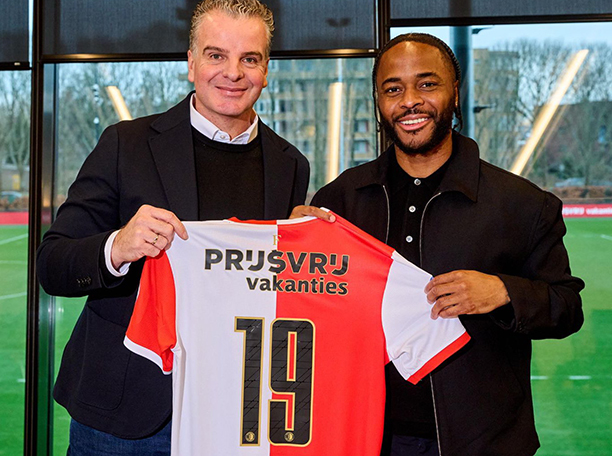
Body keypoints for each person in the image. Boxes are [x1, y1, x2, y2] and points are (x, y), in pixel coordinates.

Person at [36, 0, 309, 454]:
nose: (233, 73)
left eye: (250, 58)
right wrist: (117, 247)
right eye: (216, 55)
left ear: (266, 70)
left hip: (232, 412)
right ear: (191, 63)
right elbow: (53, 264)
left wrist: (306, 247)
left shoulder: (290, 165)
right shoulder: (126, 144)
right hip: (124, 416)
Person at [301, 33, 584, 456]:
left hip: (483, 443)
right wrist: (292, 245)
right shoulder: (340, 201)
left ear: (455, 92)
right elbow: (309, 311)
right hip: (364, 438)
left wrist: (503, 292)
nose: (410, 101)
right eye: (393, 89)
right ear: (378, 101)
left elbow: (567, 307)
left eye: (427, 84)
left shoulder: (523, 203)